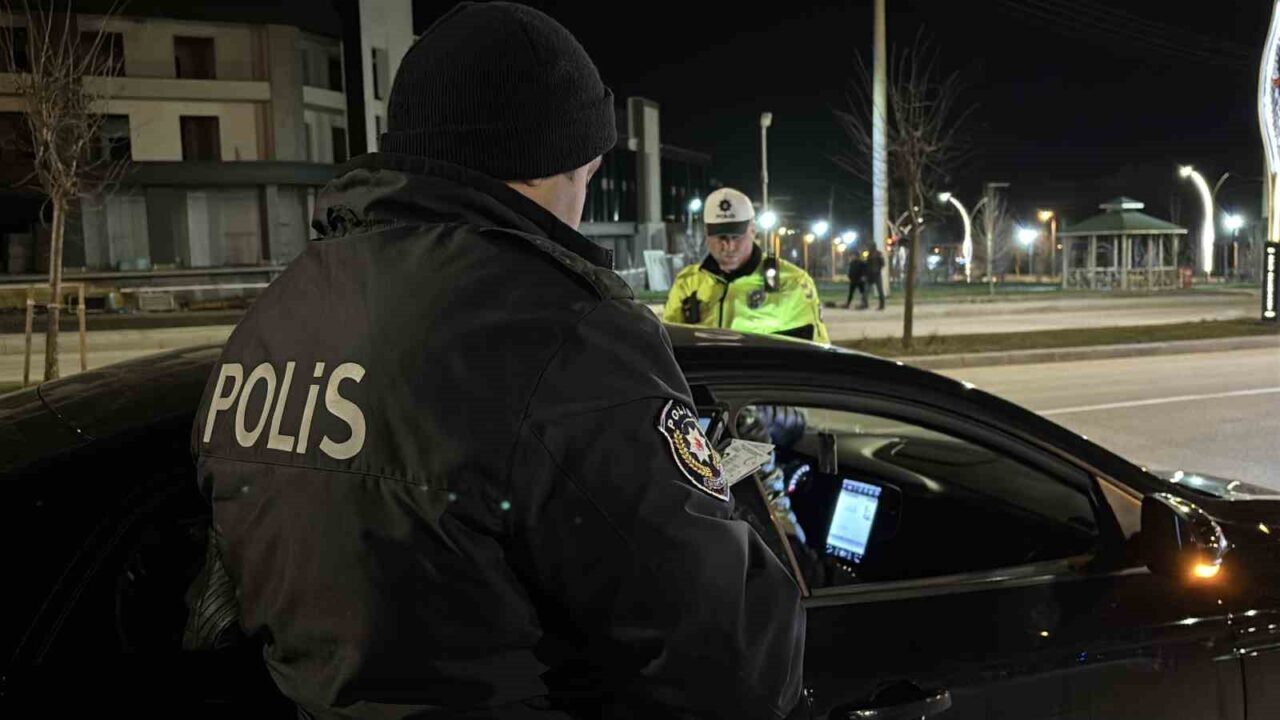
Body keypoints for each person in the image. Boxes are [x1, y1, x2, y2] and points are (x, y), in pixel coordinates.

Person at [186, 3, 806, 718]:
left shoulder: (279, 313)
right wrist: (731, 495)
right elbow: (734, 660)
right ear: (561, 161)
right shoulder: (564, 331)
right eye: (588, 172)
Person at [664, 187, 830, 344]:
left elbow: (815, 350)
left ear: (753, 230)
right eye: (721, 237)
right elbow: (667, 345)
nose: (729, 246)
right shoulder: (688, 282)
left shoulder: (792, 282)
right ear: (706, 233)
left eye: (736, 237)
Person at [863, 245, 886, 310]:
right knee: (867, 290)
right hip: (870, 275)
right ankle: (865, 304)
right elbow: (867, 264)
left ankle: (881, 305)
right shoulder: (869, 254)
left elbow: (882, 263)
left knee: (879, 290)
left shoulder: (878, 254)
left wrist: (878, 269)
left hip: (876, 274)